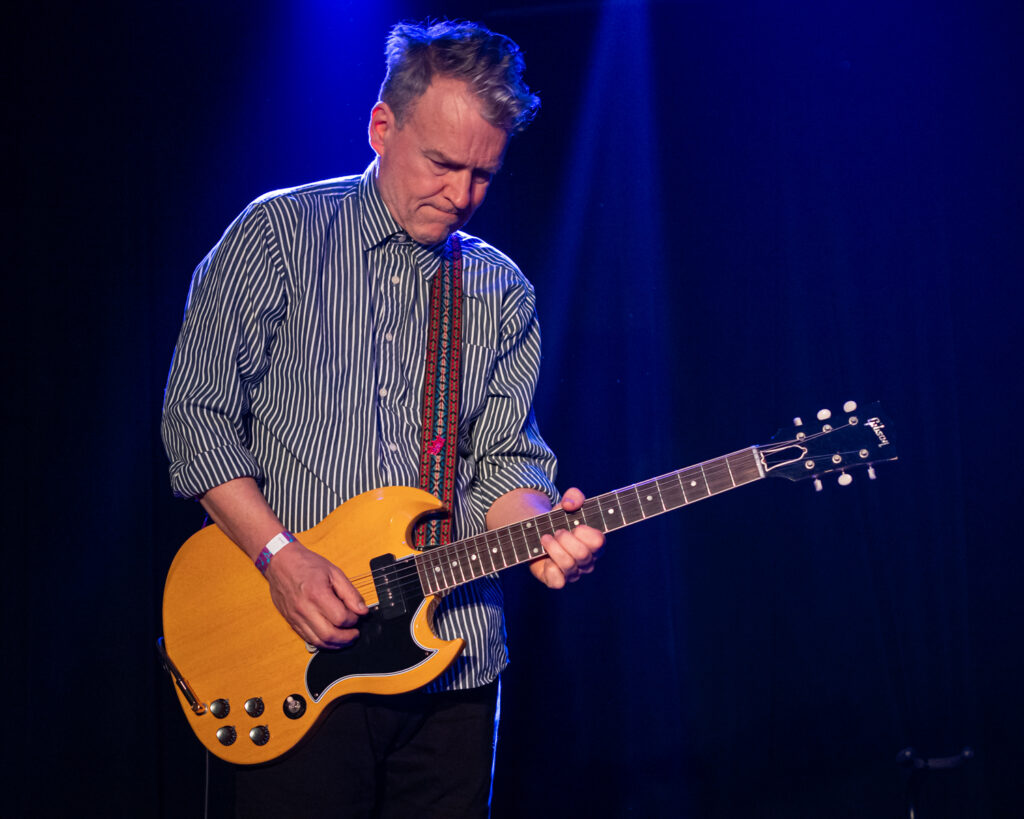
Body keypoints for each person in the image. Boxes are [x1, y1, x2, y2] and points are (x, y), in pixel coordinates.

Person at [161, 19, 604, 818]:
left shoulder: (500, 290)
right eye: (442, 163)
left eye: (483, 174)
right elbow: (196, 416)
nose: (462, 195)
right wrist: (280, 557)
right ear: (382, 127)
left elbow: (505, 463)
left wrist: (543, 535)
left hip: (455, 666)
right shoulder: (279, 235)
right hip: (292, 648)